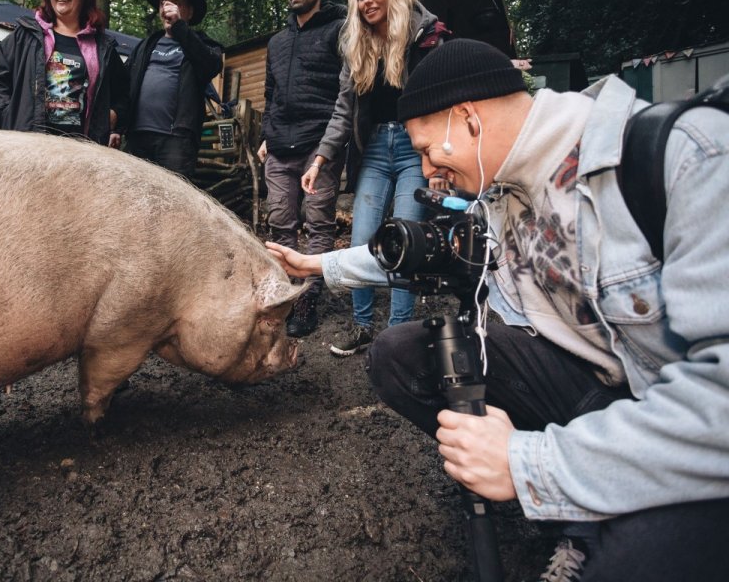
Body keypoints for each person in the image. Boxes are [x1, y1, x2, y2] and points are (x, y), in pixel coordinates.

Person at [267, 39, 729, 581]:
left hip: (690, 427)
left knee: (630, 563)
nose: (428, 173)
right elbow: (427, 248)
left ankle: (596, 522)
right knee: (401, 355)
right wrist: (315, 265)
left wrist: (529, 463)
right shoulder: (499, 191)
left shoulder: (682, 157)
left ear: (468, 119)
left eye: (426, 150)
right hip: (598, 387)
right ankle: (579, 517)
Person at [306, 0, 450, 357]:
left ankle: (398, 335)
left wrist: (436, 161)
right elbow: (343, 109)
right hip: (373, 151)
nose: (367, 0)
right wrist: (321, 159)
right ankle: (362, 326)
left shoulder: (427, 36)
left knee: (405, 241)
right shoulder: (358, 43)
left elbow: (443, 104)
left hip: (414, 150)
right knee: (362, 239)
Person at [256, 0, 347, 338]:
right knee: (280, 222)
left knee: (319, 222)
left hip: (319, 142)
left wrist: (332, 143)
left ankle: (309, 297)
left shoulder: (339, 30)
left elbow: (347, 89)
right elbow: (270, 93)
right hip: (279, 145)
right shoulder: (277, 41)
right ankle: (286, 294)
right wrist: (264, 134)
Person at [0, 0, 128, 145]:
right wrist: (7, 114)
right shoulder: (27, 36)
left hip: (82, 150)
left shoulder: (102, 46)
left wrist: (113, 116)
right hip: (28, 146)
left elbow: (124, 91)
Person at [124, 0, 223, 178]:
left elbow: (210, 67)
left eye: (175, 3)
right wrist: (117, 128)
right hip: (136, 138)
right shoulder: (145, 46)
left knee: (171, 206)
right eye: (163, 3)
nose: (166, 8)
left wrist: (179, 27)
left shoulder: (202, 45)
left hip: (176, 142)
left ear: (189, 11)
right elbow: (123, 85)